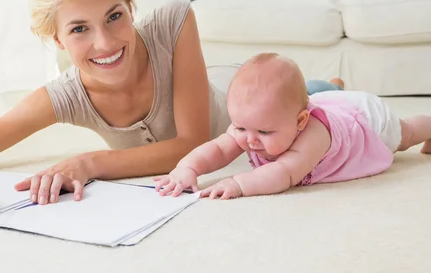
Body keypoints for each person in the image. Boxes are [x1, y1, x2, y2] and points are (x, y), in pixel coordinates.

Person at [0, 0, 341, 218]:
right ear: (57, 39)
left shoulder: (173, 21)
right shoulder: (65, 96)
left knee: (318, 108)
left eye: (114, 17)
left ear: (131, 6)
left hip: (240, 99)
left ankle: (331, 86)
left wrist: (89, 162)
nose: (105, 42)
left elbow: (192, 144)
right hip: (232, 107)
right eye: (79, 29)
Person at [154, 53, 431, 199]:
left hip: (367, 122)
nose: (249, 140)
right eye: (240, 128)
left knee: (405, 134)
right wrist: (187, 168)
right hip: (325, 103)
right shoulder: (254, 124)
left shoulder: (313, 135)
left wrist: (239, 183)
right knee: (315, 92)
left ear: (300, 122)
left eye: (264, 132)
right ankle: (334, 85)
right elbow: (217, 149)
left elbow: (284, 173)